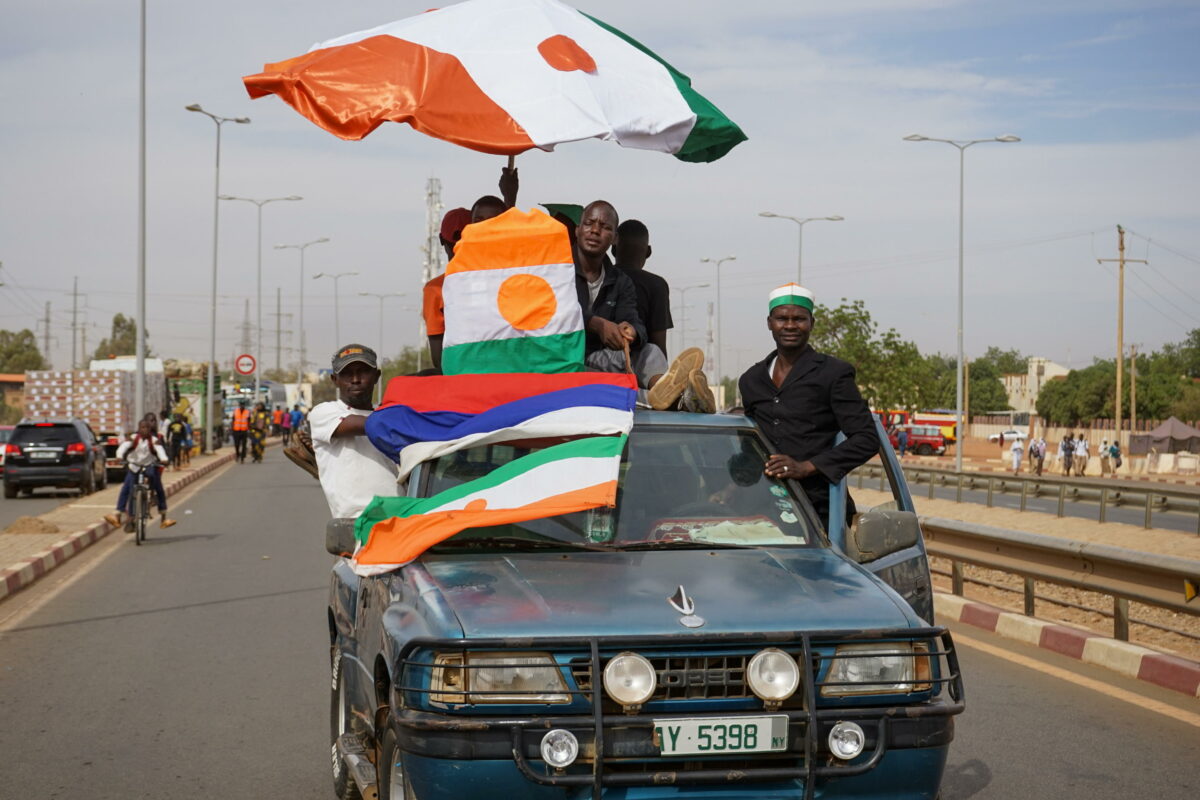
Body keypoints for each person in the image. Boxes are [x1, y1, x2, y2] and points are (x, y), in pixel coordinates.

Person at [738, 283, 880, 528]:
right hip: (763, 510)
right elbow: (749, 446)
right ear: (770, 323)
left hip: (821, 512)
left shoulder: (833, 373)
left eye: (799, 319)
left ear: (811, 323)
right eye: (782, 319)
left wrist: (806, 467)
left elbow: (866, 439)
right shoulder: (751, 380)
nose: (790, 325)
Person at [575, 200, 713, 412]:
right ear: (577, 230)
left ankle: (665, 387)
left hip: (604, 359)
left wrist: (631, 331)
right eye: (589, 224)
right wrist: (596, 324)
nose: (595, 230)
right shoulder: (558, 270)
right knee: (610, 385)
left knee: (650, 351)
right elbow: (553, 314)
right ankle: (680, 400)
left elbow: (634, 321)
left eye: (604, 227)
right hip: (567, 360)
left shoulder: (621, 282)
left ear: (614, 239)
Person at [423, 168, 519, 371]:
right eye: (454, 241)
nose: (458, 247)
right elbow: (440, 360)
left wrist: (510, 198)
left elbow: (510, 237)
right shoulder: (436, 290)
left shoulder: (508, 270)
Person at [309, 344, 401, 518]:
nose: (355, 379)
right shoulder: (324, 412)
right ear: (334, 379)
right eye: (346, 374)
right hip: (356, 521)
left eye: (363, 372)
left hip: (401, 516)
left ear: (376, 376)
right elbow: (368, 425)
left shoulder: (389, 418)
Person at [613, 219, 673, 359]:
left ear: (613, 250)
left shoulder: (602, 277)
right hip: (641, 366)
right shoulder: (657, 285)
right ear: (648, 252)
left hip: (597, 366)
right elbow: (658, 345)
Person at [104, 419, 176, 531]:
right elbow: (123, 447)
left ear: (150, 429)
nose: (145, 430)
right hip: (134, 466)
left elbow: (160, 450)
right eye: (143, 427)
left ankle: (163, 516)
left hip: (149, 466)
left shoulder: (154, 440)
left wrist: (164, 459)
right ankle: (118, 514)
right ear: (139, 428)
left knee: (158, 487)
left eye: (147, 428)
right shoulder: (133, 438)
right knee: (126, 489)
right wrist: (119, 456)